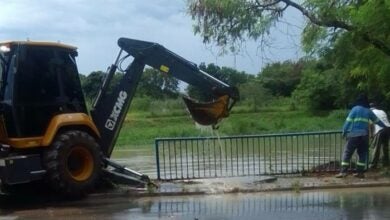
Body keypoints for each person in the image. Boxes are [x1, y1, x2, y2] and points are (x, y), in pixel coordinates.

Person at [336, 94, 386, 178]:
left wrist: (344, 131)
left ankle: (343, 172)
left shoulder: (354, 109)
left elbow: (348, 122)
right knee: (362, 154)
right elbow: (377, 121)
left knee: (347, 152)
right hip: (365, 136)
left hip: (354, 135)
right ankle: (360, 173)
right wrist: (385, 126)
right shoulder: (368, 111)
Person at [369, 103, 390, 169]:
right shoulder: (382, 111)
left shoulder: (371, 112)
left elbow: (370, 124)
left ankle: (373, 165)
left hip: (380, 130)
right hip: (388, 128)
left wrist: (371, 135)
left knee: (376, 148)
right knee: (385, 147)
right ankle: (386, 163)